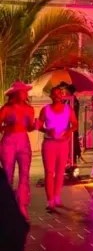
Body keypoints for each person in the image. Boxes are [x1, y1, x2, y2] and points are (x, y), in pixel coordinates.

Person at [37, 85, 78, 212]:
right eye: (54, 94)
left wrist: (69, 131)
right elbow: (39, 125)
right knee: (49, 172)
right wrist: (47, 130)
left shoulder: (68, 109)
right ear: (51, 96)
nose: (57, 96)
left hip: (63, 143)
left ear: (62, 95)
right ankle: (50, 201)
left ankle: (57, 197)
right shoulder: (45, 109)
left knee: (60, 172)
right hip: (49, 143)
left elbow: (75, 124)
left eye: (59, 93)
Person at [0, 82, 35, 219]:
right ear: (16, 94)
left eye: (26, 91)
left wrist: (35, 125)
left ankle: (22, 205)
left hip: (23, 141)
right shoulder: (6, 109)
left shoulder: (29, 109)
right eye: (23, 91)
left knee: (24, 175)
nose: (25, 94)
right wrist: (5, 127)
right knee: (7, 174)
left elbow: (30, 127)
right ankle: (7, 207)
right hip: (9, 142)